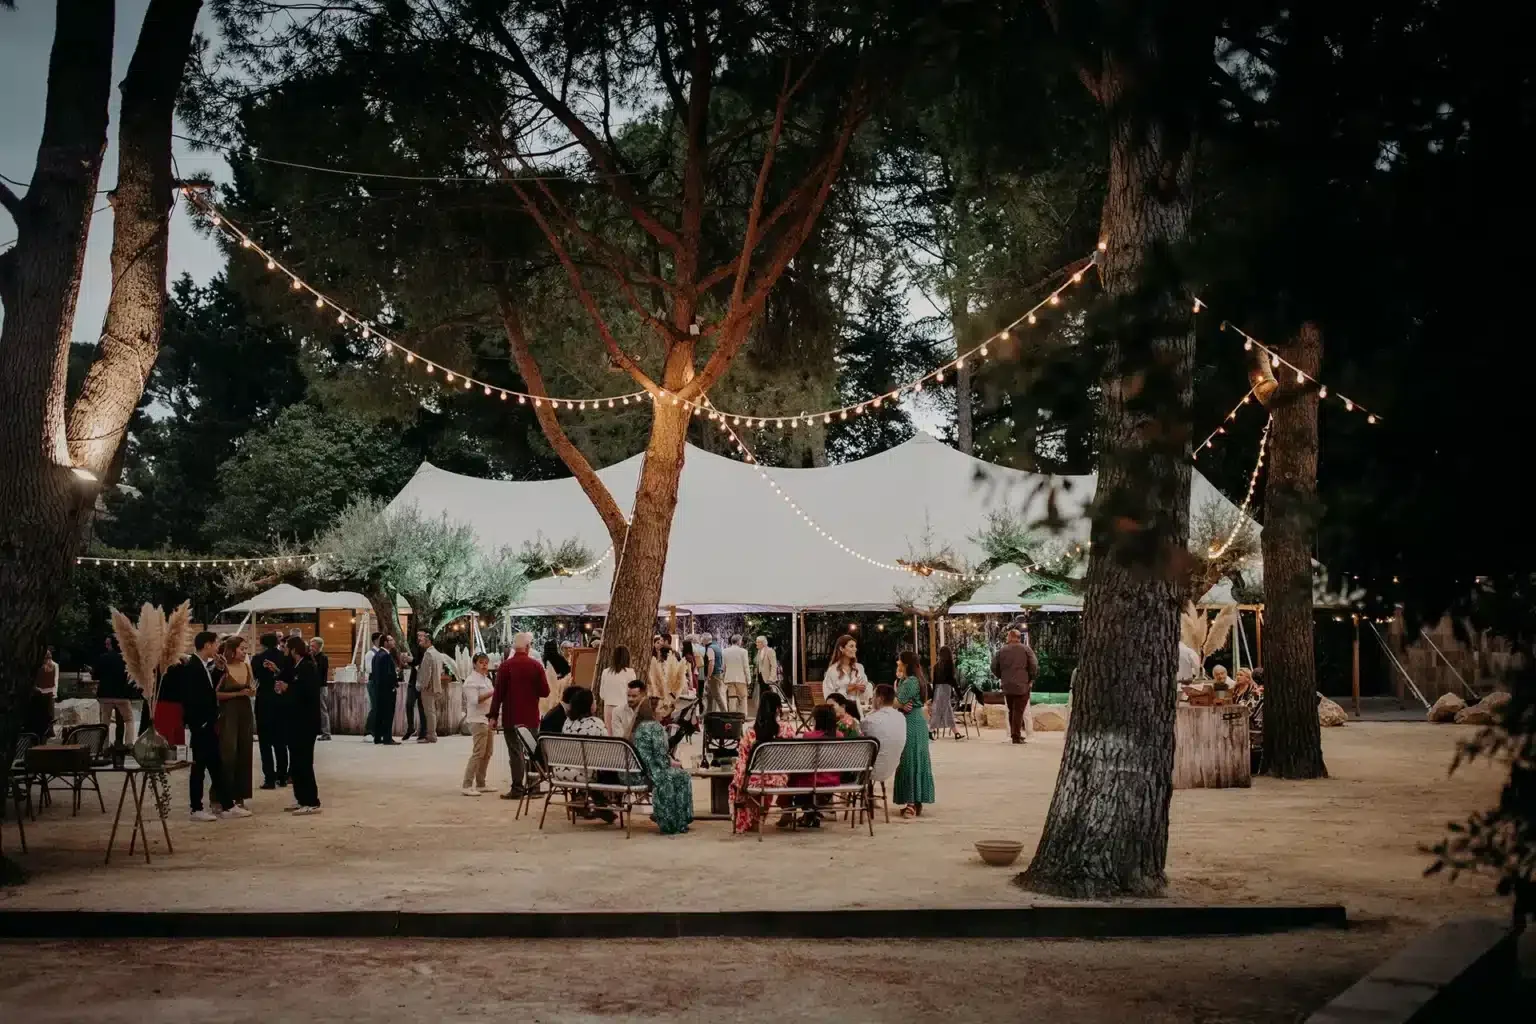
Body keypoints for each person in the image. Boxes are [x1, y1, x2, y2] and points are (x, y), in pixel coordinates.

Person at [182, 631, 241, 821]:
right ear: (207, 645)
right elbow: (193, 697)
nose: (217, 647)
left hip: (207, 723)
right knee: (199, 767)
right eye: (215, 644)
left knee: (216, 766)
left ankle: (227, 805)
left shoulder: (202, 665)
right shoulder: (192, 666)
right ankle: (197, 808)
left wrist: (219, 670)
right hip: (201, 725)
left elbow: (208, 689)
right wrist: (200, 722)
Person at [489, 632, 548, 799]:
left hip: (511, 716)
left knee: (515, 752)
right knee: (532, 751)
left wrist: (493, 716)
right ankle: (534, 787)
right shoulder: (536, 666)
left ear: (514, 648)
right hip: (531, 717)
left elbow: (498, 694)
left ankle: (517, 788)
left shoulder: (505, 666)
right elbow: (545, 691)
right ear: (528, 647)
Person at [627, 694, 692, 835]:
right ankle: (679, 820)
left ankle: (673, 819)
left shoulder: (638, 727)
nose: (665, 712)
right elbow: (660, 758)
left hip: (638, 773)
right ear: (653, 711)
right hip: (651, 774)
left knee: (678, 775)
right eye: (662, 708)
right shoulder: (655, 727)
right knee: (683, 776)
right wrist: (674, 763)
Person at [729, 690, 790, 834]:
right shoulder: (786, 729)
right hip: (780, 778)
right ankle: (759, 818)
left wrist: (740, 780)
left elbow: (743, 761)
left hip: (756, 779)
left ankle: (752, 821)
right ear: (778, 709)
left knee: (740, 782)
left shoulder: (751, 733)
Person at [278, 635, 323, 813]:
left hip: (306, 722)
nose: (284, 651)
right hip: (294, 721)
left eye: (286, 648)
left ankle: (311, 801)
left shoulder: (307, 667)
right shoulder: (294, 666)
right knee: (295, 762)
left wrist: (288, 688)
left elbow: (307, 692)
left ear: (294, 650)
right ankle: (300, 798)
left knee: (304, 761)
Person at [216, 636, 256, 812]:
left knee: (244, 751)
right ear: (232, 650)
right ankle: (221, 796)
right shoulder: (222, 668)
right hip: (228, 713)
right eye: (242, 649)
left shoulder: (247, 667)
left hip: (245, 712)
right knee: (227, 753)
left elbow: (252, 689)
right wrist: (239, 694)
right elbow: (215, 694)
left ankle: (240, 796)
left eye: (246, 649)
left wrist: (251, 692)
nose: (244, 652)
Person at [893, 650, 935, 818]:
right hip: (916, 721)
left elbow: (897, 701)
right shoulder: (915, 680)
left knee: (909, 760)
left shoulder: (910, 681)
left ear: (905, 663)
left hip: (911, 722)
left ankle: (911, 803)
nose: (897, 663)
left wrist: (898, 704)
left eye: (899, 660)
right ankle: (916, 801)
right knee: (916, 759)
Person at [252, 632, 290, 788]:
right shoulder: (285, 658)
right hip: (280, 701)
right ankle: (282, 776)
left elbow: (255, 677)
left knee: (265, 743)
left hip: (264, 701)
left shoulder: (257, 659)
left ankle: (269, 778)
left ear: (262, 643)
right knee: (281, 742)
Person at [990, 629, 1039, 745]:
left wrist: (1002, 676)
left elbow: (993, 666)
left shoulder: (1002, 651)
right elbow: (1034, 665)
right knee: (1018, 711)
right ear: (1018, 637)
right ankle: (1016, 737)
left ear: (1010, 637)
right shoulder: (1026, 649)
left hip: (1007, 685)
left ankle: (1014, 734)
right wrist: (1031, 679)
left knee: (1011, 710)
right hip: (1022, 684)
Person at [861, 684, 908, 794]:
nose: (871, 699)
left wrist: (872, 711)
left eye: (873, 696)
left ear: (880, 699)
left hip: (871, 769)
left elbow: (861, 730)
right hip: (891, 767)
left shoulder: (871, 720)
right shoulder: (901, 717)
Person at [461, 653, 496, 796]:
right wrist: (493, 692)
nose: (484, 665)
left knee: (488, 752)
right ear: (474, 664)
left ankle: (481, 783)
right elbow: (475, 700)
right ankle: (467, 784)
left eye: (486, 662)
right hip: (477, 719)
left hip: (488, 719)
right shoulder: (470, 681)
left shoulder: (487, 680)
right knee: (478, 752)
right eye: (481, 662)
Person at [93, 636, 138, 747]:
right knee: (129, 720)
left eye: (107, 644)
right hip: (121, 695)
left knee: (105, 722)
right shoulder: (125, 659)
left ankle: (104, 746)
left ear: (111, 645)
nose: (106, 646)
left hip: (105, 695)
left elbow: (95, 676)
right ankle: (128, 744)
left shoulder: (102, 658)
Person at [411, 630, 454, 743]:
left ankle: (431, 735)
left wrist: (423, 685)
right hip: (435, 686)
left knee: (429, 712)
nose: (420, 641)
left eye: (423, 640)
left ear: (428, 641)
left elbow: (427, 673)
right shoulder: (437, 653)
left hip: (429, 687)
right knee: (432, 711)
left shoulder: (428, 654)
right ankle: (432, 734)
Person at [599, 645, 636, 734]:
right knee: (622, 736)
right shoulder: (630, 672)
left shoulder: (605, 672)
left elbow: (602, 695)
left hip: (608, 707)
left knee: (610, 735)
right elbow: (633, 693)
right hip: (623, 707)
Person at [370, 635, 400, 744]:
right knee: (388, 714)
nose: (393, 641)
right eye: (391, 640)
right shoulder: (385, 656)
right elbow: (388, 674)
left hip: (378, 689)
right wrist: (393, 686)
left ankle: (377, 737)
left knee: (379, 713)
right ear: (385, 642)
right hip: (387, 690)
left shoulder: (377, 655)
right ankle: (387, 738)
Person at [823, 634, 870, 702]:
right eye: (851, 646)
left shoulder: (860, 667)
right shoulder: (832, 670)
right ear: (841, 648)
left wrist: (863, 689)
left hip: (858, 706)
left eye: (855, 646)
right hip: (841, 707)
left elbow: (866, 689)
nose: (855, 649)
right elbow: (829, 696)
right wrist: (847, 689)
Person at [929, 645, 960, 741]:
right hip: (946, 689)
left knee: (944, 710)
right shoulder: (949, 665)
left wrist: (933, 696)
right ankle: (930, 730)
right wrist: (959, 693)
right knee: (942, 710)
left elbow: (934, 682)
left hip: (938, 689)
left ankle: (956, 733)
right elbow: (952, 680)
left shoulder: (936, 666)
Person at [28, 646, 59, 741]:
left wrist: (54, 692)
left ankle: (49, 731)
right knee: (43, 714)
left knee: (49, 714)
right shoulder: (39, 666)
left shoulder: (53, 666)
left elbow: (55, 679)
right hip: (41, 692)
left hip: (48, 692)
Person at [309, 637, 332, 740]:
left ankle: (326, 733)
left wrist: (312, 658)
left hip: (321, 687)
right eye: (310, 646)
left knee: (322, 710)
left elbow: (318, 671)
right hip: (313, 686)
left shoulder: (323, 658)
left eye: (313, 646)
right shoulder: (311, 657)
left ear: (319, 647)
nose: (311, 648)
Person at [722, 634, 751, 714]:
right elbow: (746, 666)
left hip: (729, 679)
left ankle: (732, 716)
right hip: (741, 679)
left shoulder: (724, 651)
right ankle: (743, 715)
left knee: (732, 698)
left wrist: (723, 677)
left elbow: (723, 667)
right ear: (739, 641)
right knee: (743, 698)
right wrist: (749, 679)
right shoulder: (744, 651)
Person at [542, 640, 572, 716]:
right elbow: (568, 671)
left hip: (549, 685)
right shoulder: (559, 658)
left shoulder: (545, 659)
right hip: (560, 684)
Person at [612, 677, 646, 741]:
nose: (630, 699)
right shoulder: (617, 711)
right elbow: (619, 739)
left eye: (634, 696)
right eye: (628, 696)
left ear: (642, 695)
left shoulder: (648, 712)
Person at [364, 631, 382, 738]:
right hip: (373, 682)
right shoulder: (370, 654)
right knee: (375, 707)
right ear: (376, 640)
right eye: (381, 639)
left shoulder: (381, 653)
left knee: (379, 707)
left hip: (379, 682)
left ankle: (376, 731)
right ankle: (368, 731)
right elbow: (369, 669)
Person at [753, 636, 780, 704]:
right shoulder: (759, 651)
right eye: (756, 642)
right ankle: (763, 708)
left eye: (758, 642)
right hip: (760, 677)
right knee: (762, 696)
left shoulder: (770, 651)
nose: (756, 643)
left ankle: (769, 709)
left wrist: (771, 678)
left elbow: (774, 665)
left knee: (768, 697)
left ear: (763, 643)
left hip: (768, 678)